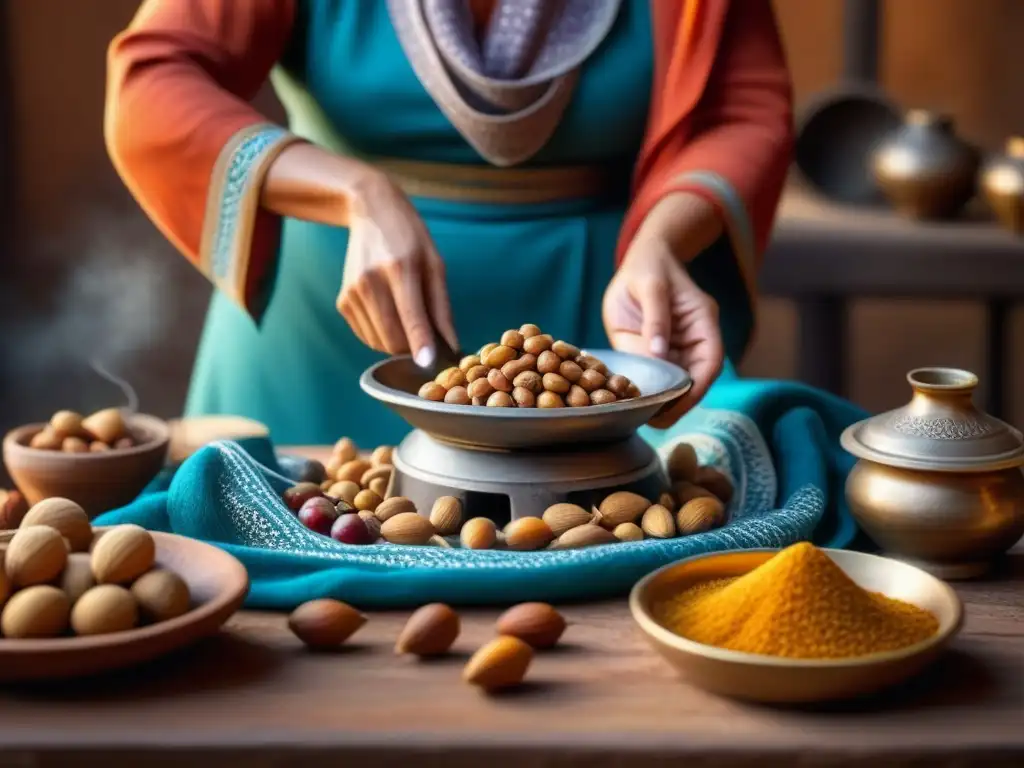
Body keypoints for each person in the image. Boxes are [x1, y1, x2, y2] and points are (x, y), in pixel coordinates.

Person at [105, 0, 793, 448]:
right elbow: (151, 83)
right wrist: (353, 191)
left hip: (606, 320)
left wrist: (661, 243)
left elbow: (741, 108)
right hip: (327, 327)